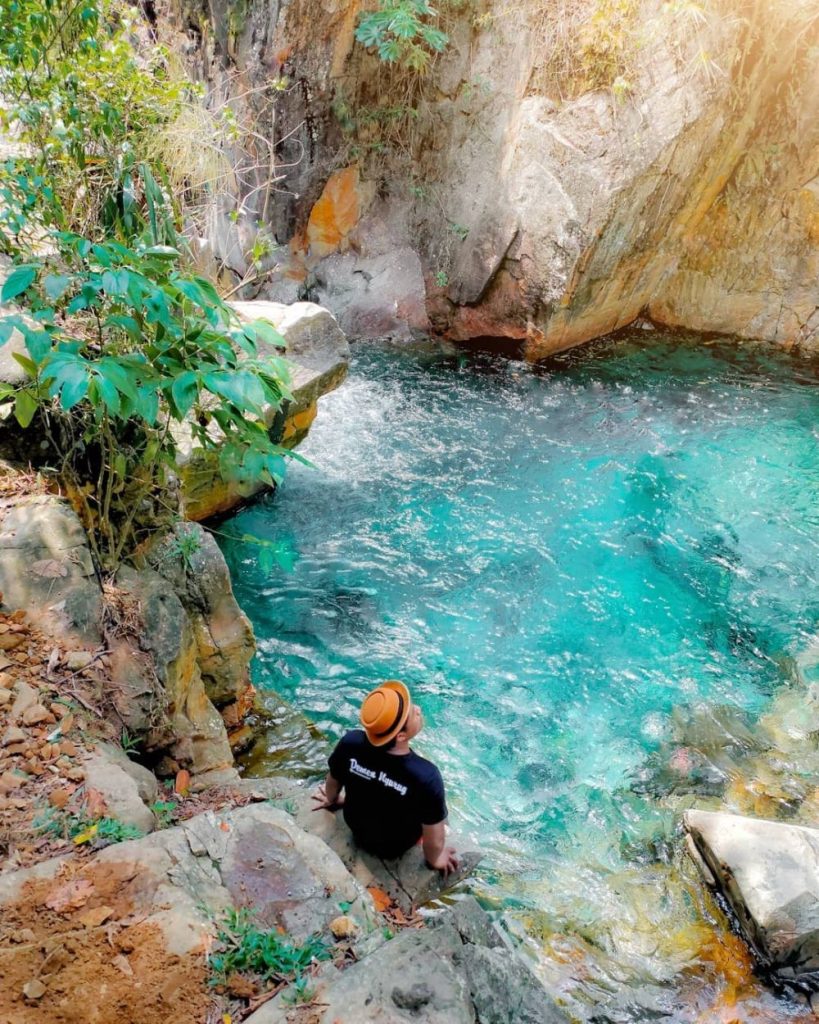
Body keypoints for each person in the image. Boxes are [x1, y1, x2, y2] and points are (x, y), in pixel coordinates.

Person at [312, 680, 459, 874]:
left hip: (356, 827)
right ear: (400, 737)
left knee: (373, 784)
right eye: (412, 712)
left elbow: (334, 778)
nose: (418, 709)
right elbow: (434, 837)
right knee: (439, 815)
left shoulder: (350, 742)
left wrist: (332, 800)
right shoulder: (426, 776)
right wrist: (435, 858)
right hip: (395, 845)